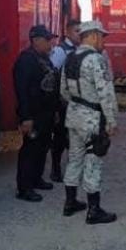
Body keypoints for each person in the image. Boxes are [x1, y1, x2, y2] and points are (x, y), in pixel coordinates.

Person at [61, 20, 118, 224]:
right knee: (93, 162)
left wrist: (77, 104)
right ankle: (94, 210)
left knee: (74, 158)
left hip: (73, 116)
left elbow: (63, 90)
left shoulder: (70, 58)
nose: (103, 41)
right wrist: (111, 120)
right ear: (93, 35)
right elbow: (106, 93)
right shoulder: (96, 59)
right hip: (92, 119)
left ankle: (70, 203)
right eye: (102, 36)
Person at [13, 24, 59, 202]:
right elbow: (22, 91)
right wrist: (26, 117)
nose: (50, 44)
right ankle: (24, 188)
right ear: (36, 40)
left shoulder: (44, 58)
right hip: (33, 114)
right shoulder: (26, 60)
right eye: (48, 40)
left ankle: (36, 179)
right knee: (30, 150)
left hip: (46, 112)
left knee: (43, 147)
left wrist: (55, 111)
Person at [48, 19, 80, 182]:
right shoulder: (61, 51)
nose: (79, 34)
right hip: (63, 102)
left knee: (74, 137)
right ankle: (55, 169)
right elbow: (52, 74)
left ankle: (73, 169)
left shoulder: (79, 50)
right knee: (60, 137)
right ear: (67, 32)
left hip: (75, 101)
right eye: (76, 31)